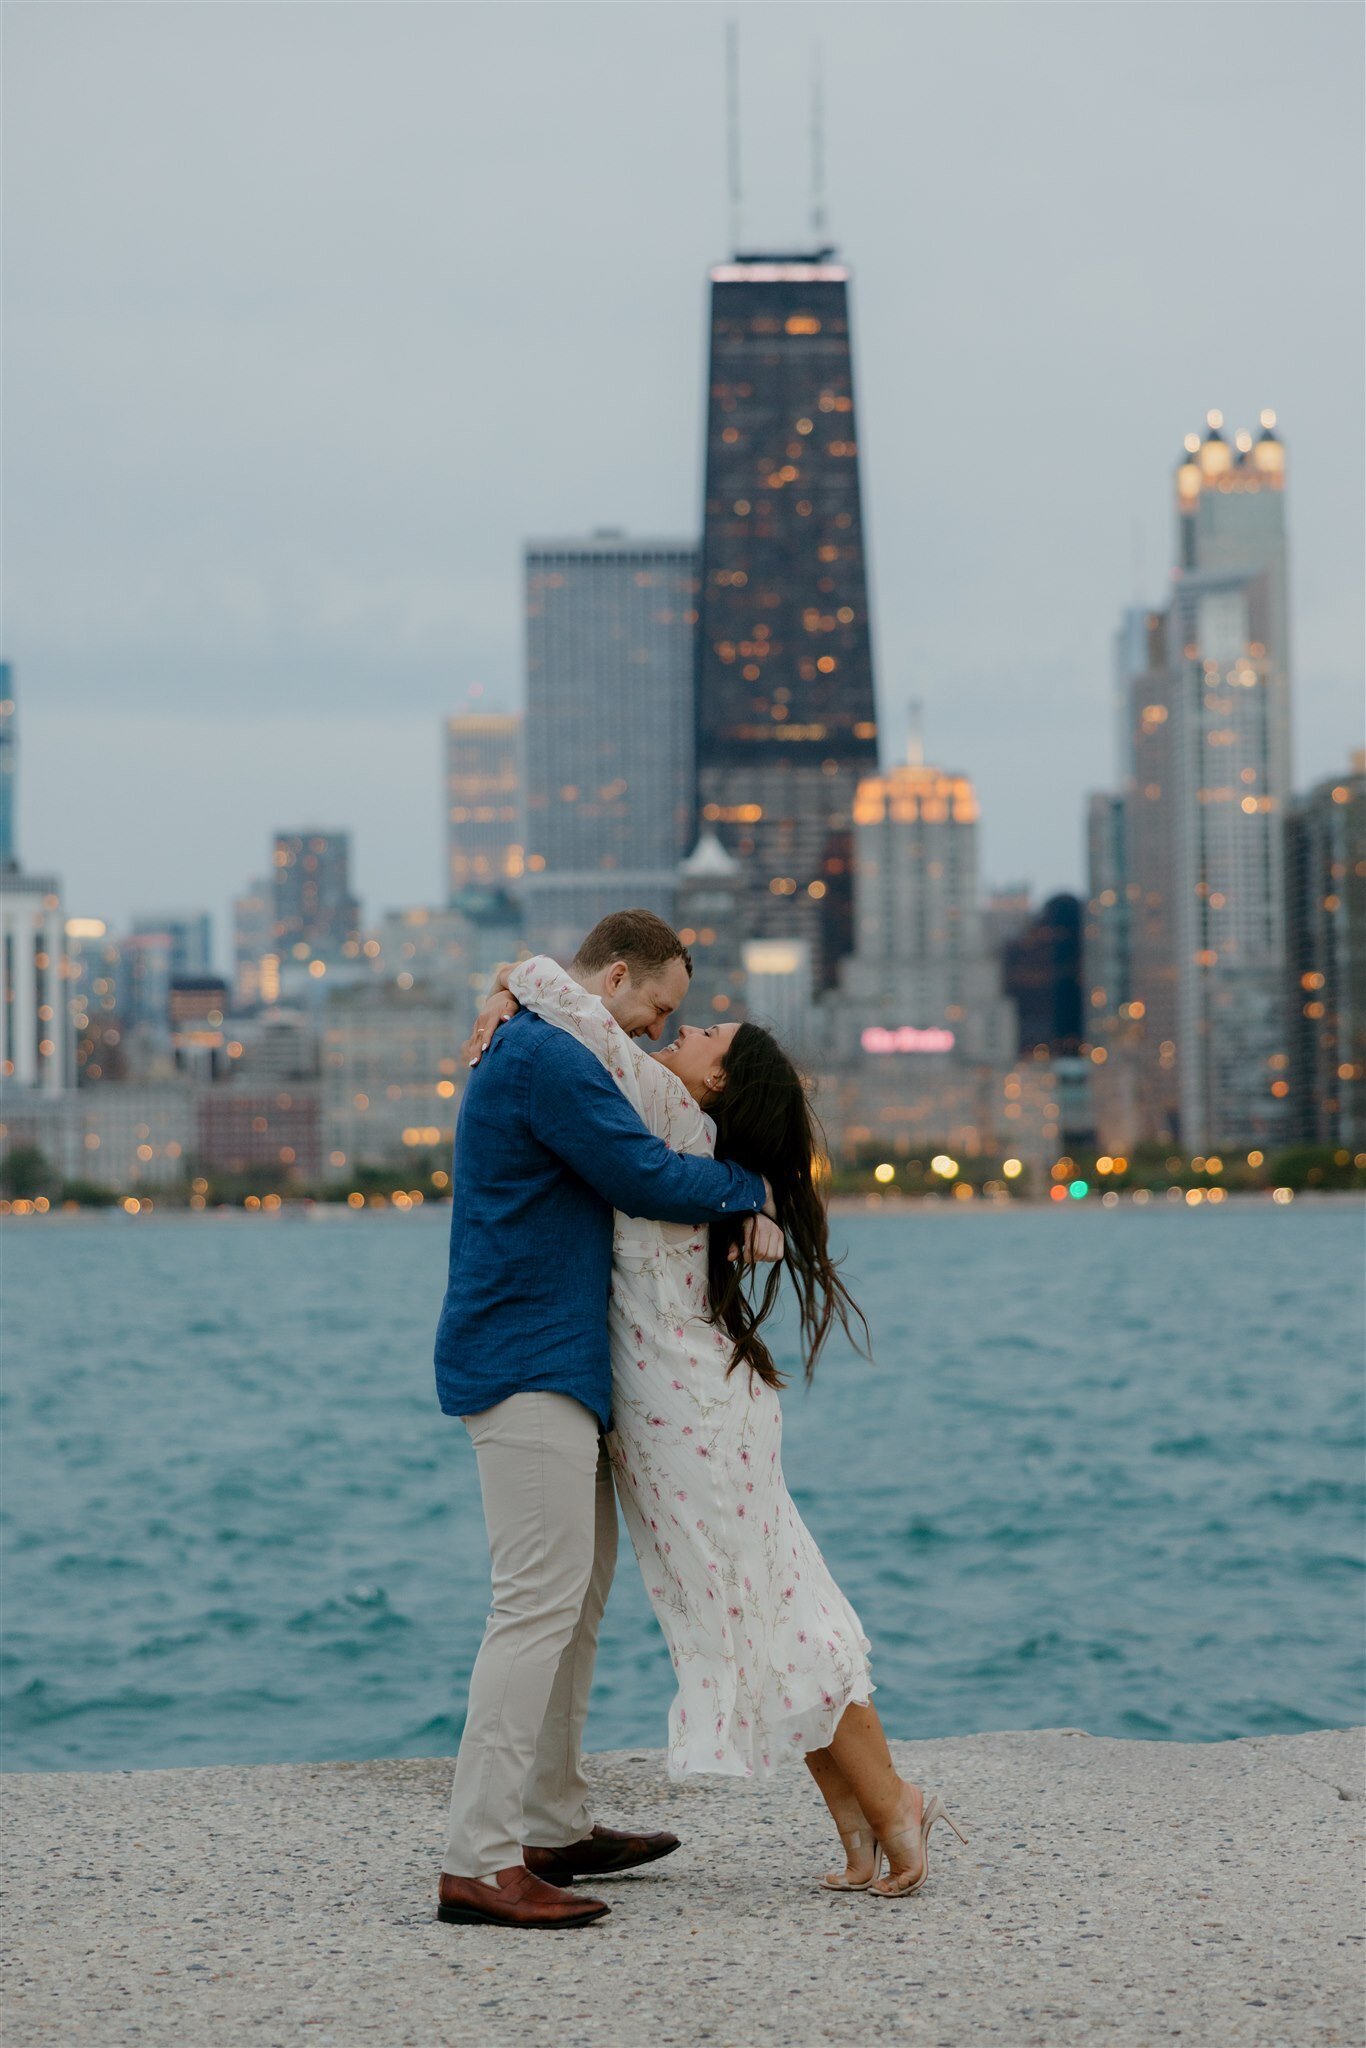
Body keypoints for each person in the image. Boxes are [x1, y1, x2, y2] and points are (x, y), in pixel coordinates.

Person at [473, 952, 968, 1900]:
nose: (672, 1033)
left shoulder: (666, 1116)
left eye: (698, 1034)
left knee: (776, 1616)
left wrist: (510, 980)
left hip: (692, 1419)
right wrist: (504, 990)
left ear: (717, 1083)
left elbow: (568, 997)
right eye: (677, 1017)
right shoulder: (689, 1137)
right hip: (684, 1420)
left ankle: (897, 1802)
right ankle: (859, 1826)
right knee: (759, 1619)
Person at [432, 911, 776, 1931]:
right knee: (534, 1606)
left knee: (570, 1604)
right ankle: (478, 1859)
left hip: (559, 1360)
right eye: (657, 1009)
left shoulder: (552, 1035)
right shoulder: (548, 1054)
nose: (657, 1030)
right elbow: (642, 1174)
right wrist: (754, 1187)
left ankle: (550, 1822)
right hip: (523, 1357)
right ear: (616, 976)